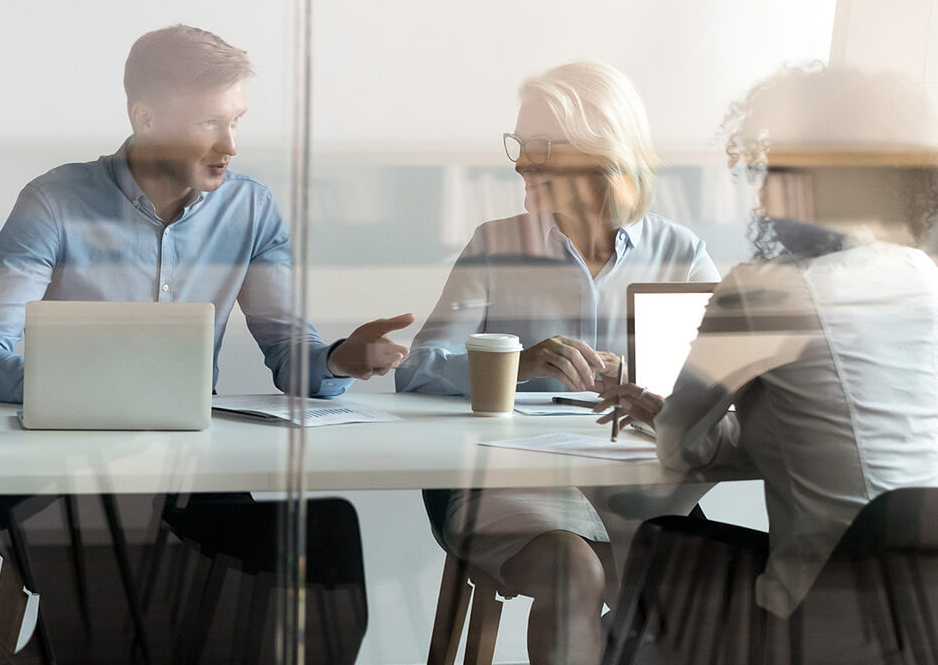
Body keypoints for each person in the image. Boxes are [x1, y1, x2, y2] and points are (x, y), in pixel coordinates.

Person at [0, 24, 412, 661]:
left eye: (237, 122)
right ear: (145, 116)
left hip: (188, 478)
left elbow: (291, 358)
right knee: (141, 575)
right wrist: (98, 387)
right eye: (209, 123)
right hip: (61, 475)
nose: (229, 146)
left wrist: (339, 359)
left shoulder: (251, 211)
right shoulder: (56, 202)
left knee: (324, 535)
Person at [598, 64, 938, 662]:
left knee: (657, 545)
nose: (759, 196)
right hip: (922, 607)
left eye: (772, 175)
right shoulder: (920, 278)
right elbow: (826, 424)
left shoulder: (765, 291)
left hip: (825, 612)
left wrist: (676, 416)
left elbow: (680, 447)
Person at [396, 60, 718, 665]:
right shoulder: (496, 243)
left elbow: (718, 390)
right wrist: (516, 364)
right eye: (520, 143)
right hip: (509, 477)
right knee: (575, 574)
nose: (520, 162)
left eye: (541, 146)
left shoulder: (682, 253)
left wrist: (647, 381)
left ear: (602, 151)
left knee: (669, 583)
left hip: (634, 482)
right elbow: (417, 369)